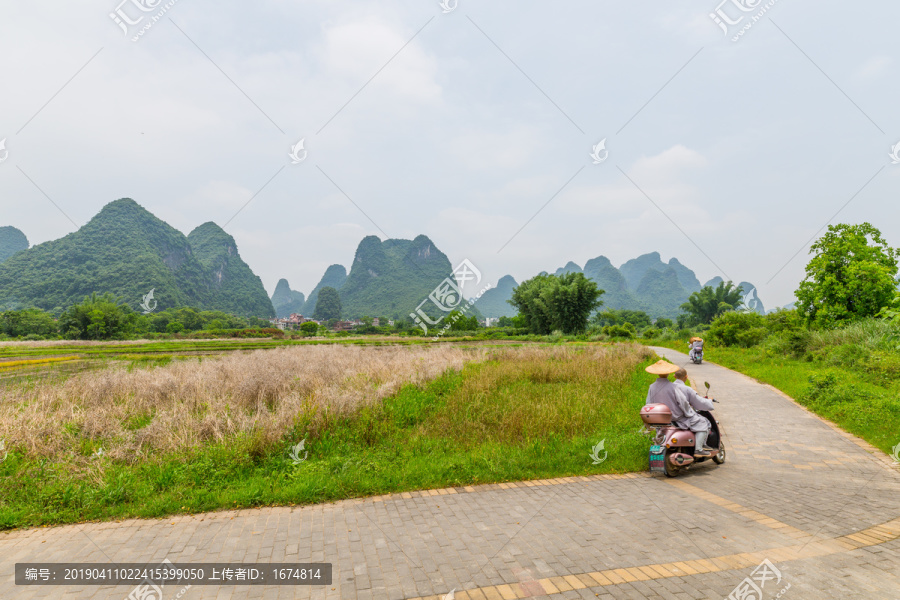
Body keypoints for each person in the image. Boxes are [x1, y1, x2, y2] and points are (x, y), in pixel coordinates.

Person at [644, 360, 712, 457]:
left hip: (660, 420)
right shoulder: (673, 387)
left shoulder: (652, 387)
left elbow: (648, 403)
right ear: (669, 373)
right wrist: (689, 413)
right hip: (676, 418)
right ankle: (698, 449)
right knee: (702, 422)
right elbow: (683, 403)